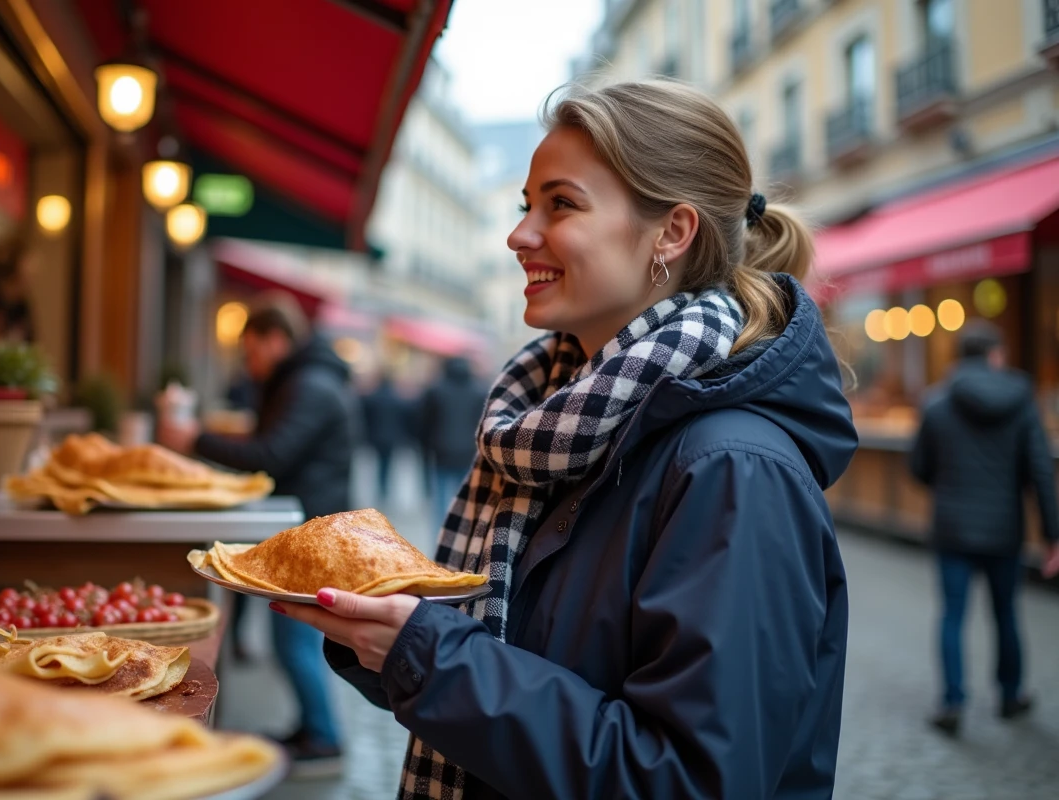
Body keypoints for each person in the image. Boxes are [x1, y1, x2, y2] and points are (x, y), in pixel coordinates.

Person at [274, 80, 858, 799]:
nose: (519, 235)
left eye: (562, 204)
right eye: (526, 206)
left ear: (672, 234)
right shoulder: (556, 424)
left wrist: (430, 652)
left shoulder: (732, 468)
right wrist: (386, 640)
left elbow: (691, 782)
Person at [156, 292, 353, 777]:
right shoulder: (307, 379)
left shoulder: (309, 384)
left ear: (276, 339)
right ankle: (313, 730)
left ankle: (324, 739)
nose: (249, 363)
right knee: (294, 638)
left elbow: (273, 454)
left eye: (252, 351)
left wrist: (195, 439)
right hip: (306, 522)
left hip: (311, 529)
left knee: (294, 640)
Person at [910, 321, 1059, 736]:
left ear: (961, 356)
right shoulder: (1022, 401)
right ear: (996, 355)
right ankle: (1010, 696)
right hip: (1003, 529)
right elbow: (1040, 473)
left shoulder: (936, 404)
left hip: (952, 527)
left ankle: (954, 701)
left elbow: (918, 467)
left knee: (953, 615)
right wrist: (1052, 535)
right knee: (1006, 614)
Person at [419, 356, 487, 530]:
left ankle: (440, 539)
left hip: (441, 452)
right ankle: (461, 536)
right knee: (465, 501)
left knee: (440, 502)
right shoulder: (479, 391)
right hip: (469, 453)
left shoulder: (435, 390)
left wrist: (427, 445)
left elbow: (425, 422)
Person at [360, 373, 411, 504]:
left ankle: (381, 489)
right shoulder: (396, 399)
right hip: (392, 438)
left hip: (377, 437)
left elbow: (367, 417)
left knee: (380, 464)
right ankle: (386, 490)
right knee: (388, 464)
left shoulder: (374, 398)